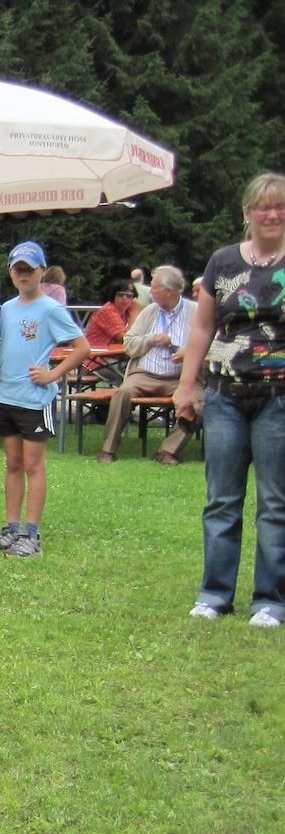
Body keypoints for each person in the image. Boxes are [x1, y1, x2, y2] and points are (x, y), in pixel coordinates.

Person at [174, 171, 285, 628]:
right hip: (223, 395)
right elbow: (201, 328)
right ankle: (214, 594)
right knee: (221, 498)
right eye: (263, 206)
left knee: (276, 503)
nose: (272, 214)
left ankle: (270, 601)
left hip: (279, 396)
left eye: (280, 206)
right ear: (247, 213)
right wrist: (186, 384)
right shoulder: (221, 263)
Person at [0, 241, 89, 558]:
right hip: (6, 396)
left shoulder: (50, 309)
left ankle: (31, 533)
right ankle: (12, 527)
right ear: (10, 273)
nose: (23, 275)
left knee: (34, 464)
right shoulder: (5, 309)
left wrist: (53, 374)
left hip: (34, 398)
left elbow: (82, 347)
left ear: (41, 271)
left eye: (29, 269)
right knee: (13, 463)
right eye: (18, 269)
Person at [97, 265, 197, 464]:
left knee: (197, 401)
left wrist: (187, 352)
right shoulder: (149, 312)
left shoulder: (195, 312)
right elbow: (129, 344)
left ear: (168, 291)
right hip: (144, 374)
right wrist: (151, 339)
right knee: (122, 393)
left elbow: (212, 344)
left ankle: (168, 451)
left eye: (154, 287)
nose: (149, 291)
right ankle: (108, 450)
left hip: (180, 377)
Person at [84, 280, 138, 358]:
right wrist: (135, 313)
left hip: (111, 358)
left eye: (129, 296)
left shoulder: (126, 312)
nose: (124, 298)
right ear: (113, 296)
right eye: (120, 295)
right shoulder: (108, 310)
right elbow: (126, 339)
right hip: (95, 360)